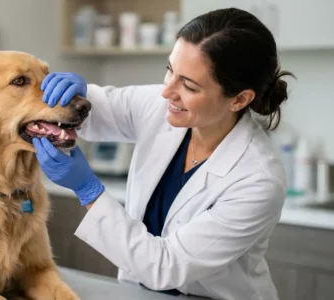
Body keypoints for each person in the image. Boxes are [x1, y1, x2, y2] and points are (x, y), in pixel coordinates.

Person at [32, 7, 295, 300]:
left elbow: (166, 267)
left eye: (189, 85)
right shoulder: (163, 107)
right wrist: (75, 96)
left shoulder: (258, 179)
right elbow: (97, 111)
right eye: (170, 69)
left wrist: (88, 190)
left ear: (239, 99)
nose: (167, 91)